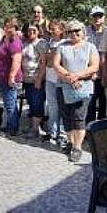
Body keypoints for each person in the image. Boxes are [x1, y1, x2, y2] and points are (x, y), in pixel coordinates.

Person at [54, 20, 99, 163]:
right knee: (66, 116)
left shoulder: (90, 47)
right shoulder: (62, 46)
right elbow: (56, 64)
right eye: (70, 31)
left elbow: (94, 66)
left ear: (83, 31)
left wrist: (77, 76)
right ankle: (71, 142)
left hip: (83, 87)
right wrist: (69, 77)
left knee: (79, 116)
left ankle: (77, 147)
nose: (73, 33)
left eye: (76, 30)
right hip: (63, 86)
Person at [0, 17, 23, 136]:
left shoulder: (14, 42)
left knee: (10, 104)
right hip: (2, 77)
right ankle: (8, 125)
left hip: (10, 78)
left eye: (12, 27)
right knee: (7, 103)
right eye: (7, 26)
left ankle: (12, 128)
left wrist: (11, 76)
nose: (9, 29)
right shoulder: (4, 38)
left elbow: (16, 61)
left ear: (16, 29)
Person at [40, 19, 67, 148]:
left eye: (54, 28)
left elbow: (54, 61)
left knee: (62, 107)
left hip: (60, 79)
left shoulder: (65, 43)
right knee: (51, 106)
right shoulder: (49, 42)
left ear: (61, 30)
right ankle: (52, 132)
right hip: (50, 77)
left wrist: (51, 58)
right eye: (50, 28)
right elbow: (48, 61)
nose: (51, 31)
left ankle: (62, 133)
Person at [21, 23, 48, 139]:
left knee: (37, 103)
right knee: (31, 103)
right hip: (26, 79)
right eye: (29, 30)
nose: (31, 32)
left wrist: (39, 79)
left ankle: (35, 129)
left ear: (38, 31)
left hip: (37, 78)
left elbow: (43, 63)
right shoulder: (25, 43)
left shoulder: (41, 43)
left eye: (34, 30)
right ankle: (33, 126)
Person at [85, 6, 107, 123]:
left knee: (104, 104)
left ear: (104, 17)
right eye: (95, 16)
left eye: (100, 16)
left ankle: (101, 133)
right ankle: (89, 132)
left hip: (105, 74)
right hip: (89, 75)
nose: (97, 18)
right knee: (89, 105)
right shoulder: (84, 32)